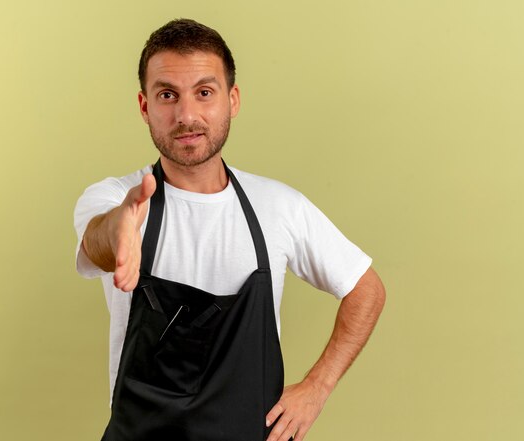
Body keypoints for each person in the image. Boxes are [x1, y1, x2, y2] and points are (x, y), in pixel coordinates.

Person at [74, 18, 385, 441]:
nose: (187, 115)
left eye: (205, 92)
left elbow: (366, 289)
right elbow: (99, 241)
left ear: (232, 100)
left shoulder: (279, 207)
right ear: (145, 106)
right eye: (168, 95)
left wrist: (317, 387)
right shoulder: (117, 199)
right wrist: (119, 233)